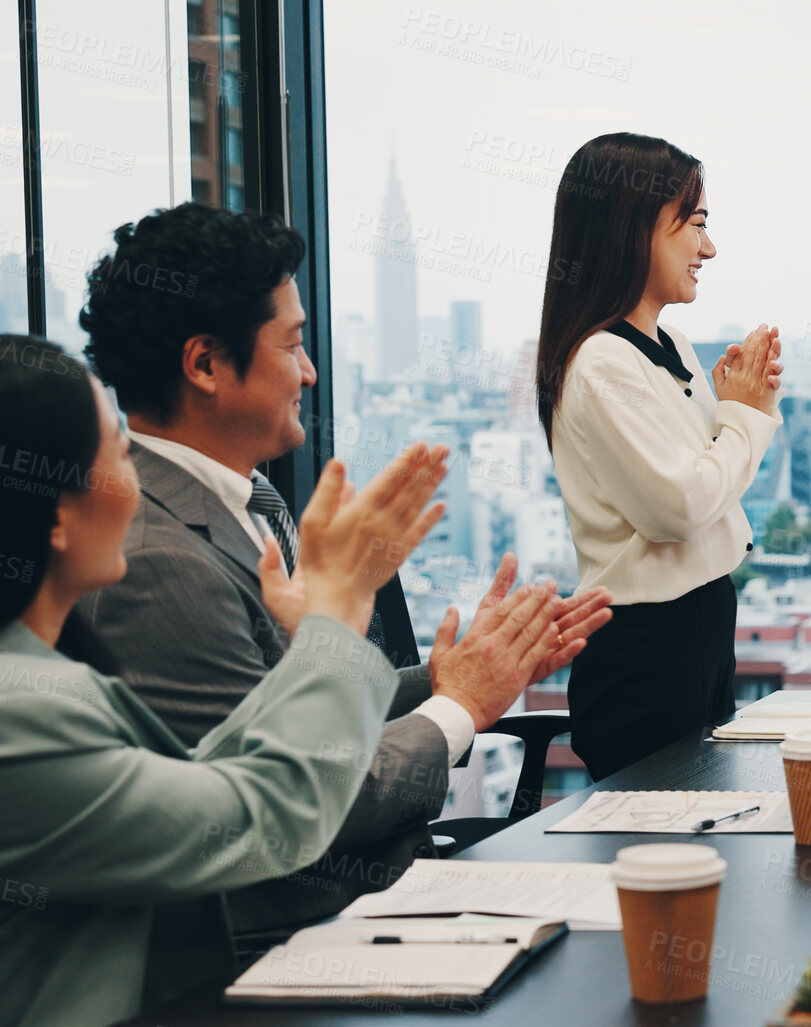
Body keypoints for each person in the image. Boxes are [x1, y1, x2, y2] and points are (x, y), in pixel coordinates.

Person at [73, 202, 613, 938]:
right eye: (291, 344)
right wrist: (461, 707)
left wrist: (460, 671)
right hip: (295, 940)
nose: (310, 371)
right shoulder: (155, 561)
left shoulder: (248, 503)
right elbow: (288, 797)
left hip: (373, 902)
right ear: (204, 364)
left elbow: (296, 711)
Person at [0, 336, 492, 1024]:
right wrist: (336, 619)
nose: (135, 479)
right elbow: (258, 816)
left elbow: (208, 771)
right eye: (114, 448)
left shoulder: (39, 673)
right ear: (56, 513)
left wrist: (322, 647)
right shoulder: (22, 711)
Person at [535, 133, 782, 779]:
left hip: (700, 627)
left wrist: (738, 409)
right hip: (646, 653)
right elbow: (680, 506)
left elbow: (711, 485)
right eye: (695, 225)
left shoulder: (665, 342)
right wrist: (745, 415)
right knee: (661, 858)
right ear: (634, 226)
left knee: (705, 847)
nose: (709, 248)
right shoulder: (602, 363)